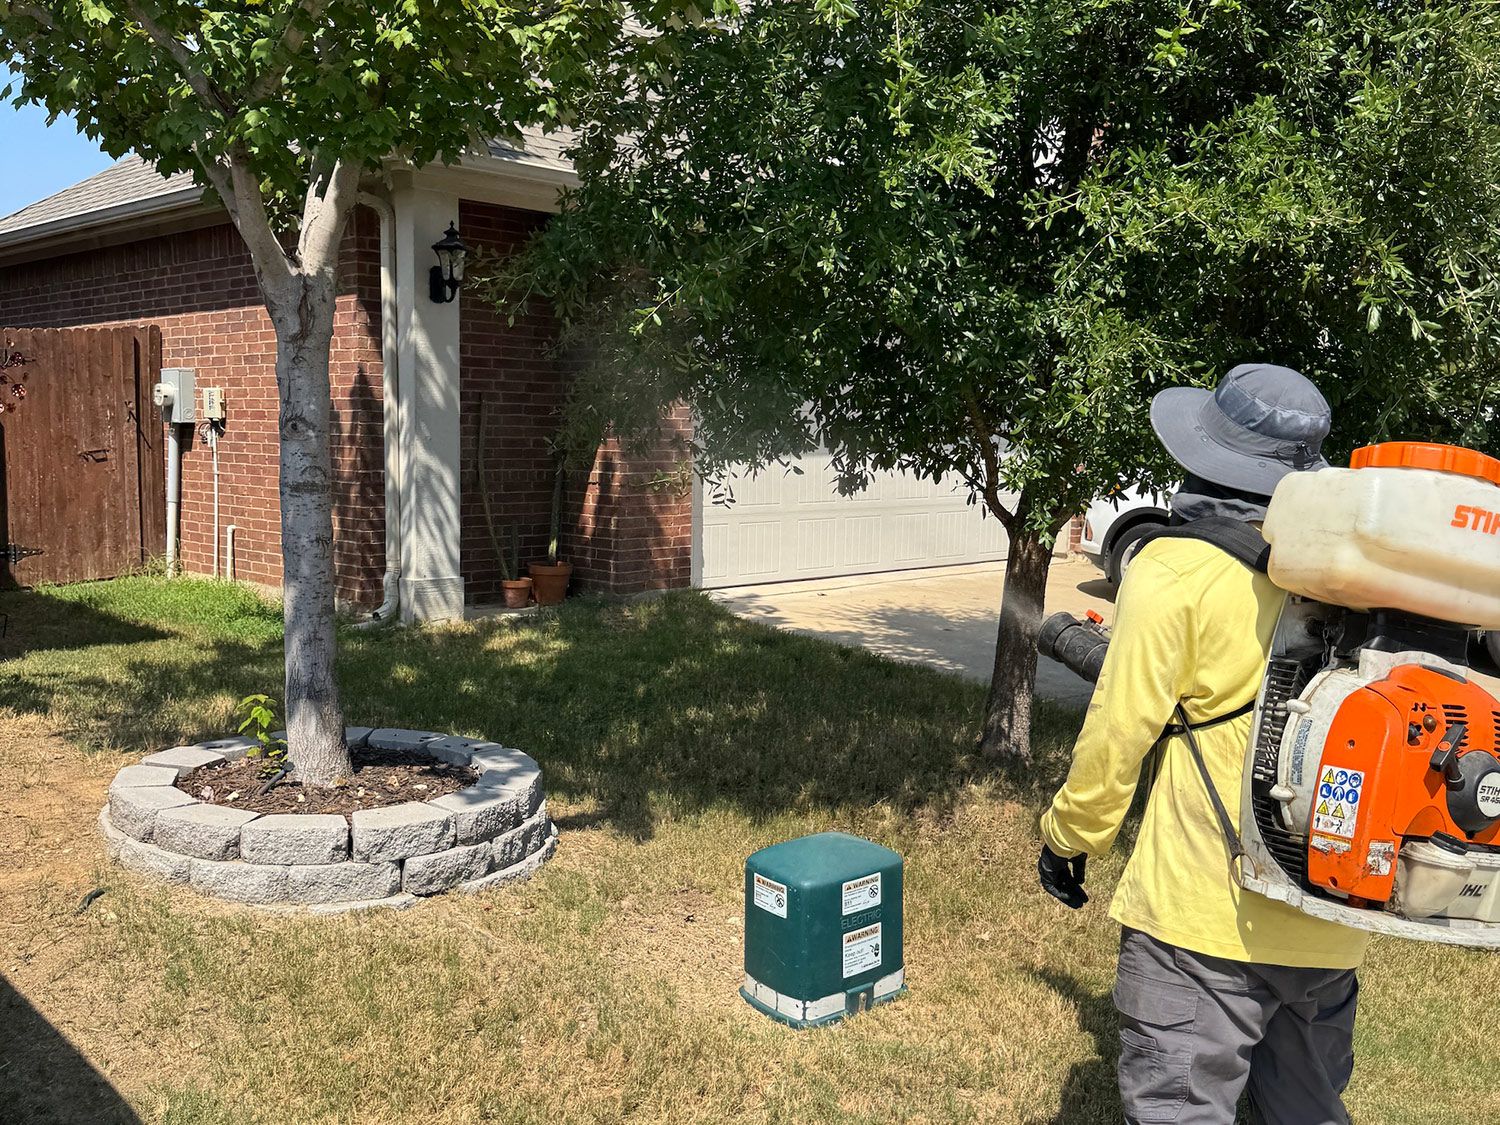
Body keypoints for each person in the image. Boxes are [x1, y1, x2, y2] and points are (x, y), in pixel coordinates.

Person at [1037, 364, 1369, 1125]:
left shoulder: (1173, 568)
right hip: (1327, 923)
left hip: (1199, 921)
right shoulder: (1350, 585)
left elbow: (1117, 737)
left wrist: (1068, 836)